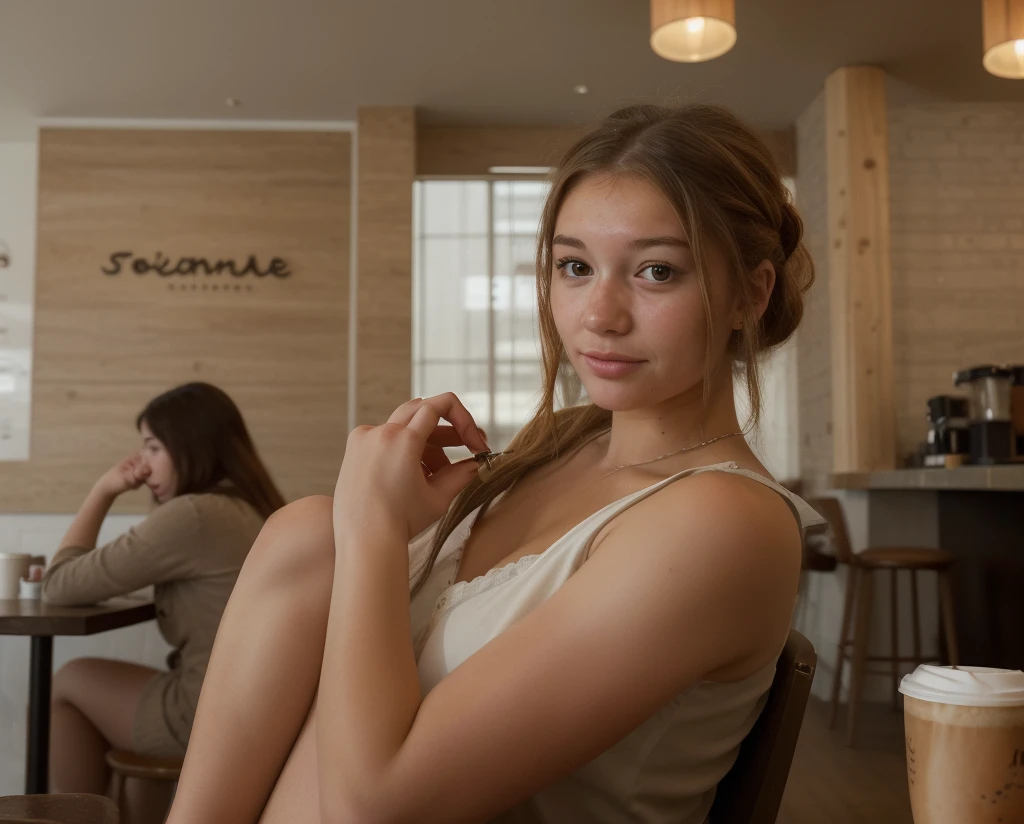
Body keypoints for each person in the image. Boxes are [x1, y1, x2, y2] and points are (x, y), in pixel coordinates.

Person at [166, 104, 824, 824]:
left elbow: (377, 806)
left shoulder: (722, 522)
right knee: (305, 532)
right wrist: (368, 524)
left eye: (657, 271)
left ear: (749, 294)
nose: (598, 314)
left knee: (327, 532)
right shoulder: (564, 443)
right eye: (575, 267)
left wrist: (375, 533)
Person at [43, 382, 286, 818]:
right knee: (104, 711)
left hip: (210, 713)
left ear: (190, 445)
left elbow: (60, 584)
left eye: (153, 447)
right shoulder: (251, 507)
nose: (142, 464)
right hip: (260, 709)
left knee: (68, 681)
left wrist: (103, 490)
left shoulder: (194, 515)